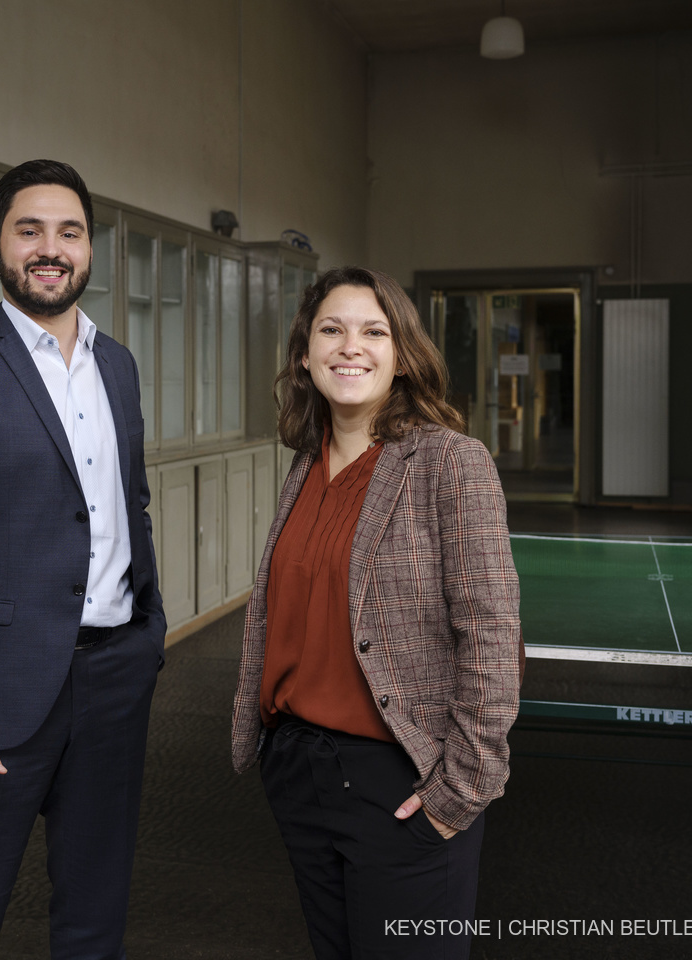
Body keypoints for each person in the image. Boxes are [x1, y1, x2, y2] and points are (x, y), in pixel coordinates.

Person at [0, 159, 166, 960]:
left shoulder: (117, 365)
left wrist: (148, 633)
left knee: (94, 918)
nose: (51, 248)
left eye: (69, 232)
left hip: (115, 679)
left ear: (90, 249)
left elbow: (128, 505)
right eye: (29, 231)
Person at [230, 266, 522, 960]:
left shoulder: (450, 462)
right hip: (300, 771)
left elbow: (492, 632)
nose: (349, 347)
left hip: (403, 778)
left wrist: (460, 791)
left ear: (402, 355)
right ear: (304, 353)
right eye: (330, 330)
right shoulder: (306, 462)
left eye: (373, 331)